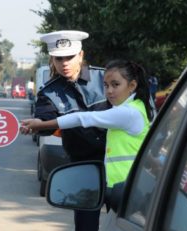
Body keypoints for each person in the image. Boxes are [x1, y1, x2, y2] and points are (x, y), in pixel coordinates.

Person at [21, 59, 156, 208]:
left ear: (132, 86)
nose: (109, 91)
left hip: (128, 189)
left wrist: (42, 125)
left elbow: (83, 117)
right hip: (123, 188)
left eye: (116, 85)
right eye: (105, 85)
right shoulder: (134, 107)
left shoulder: (128, 113)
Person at [21, 30, 109, 231]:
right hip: (84, 166)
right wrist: (36, 124)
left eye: (69, 57)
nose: (64, 63)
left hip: (120, 164)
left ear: (81, 55)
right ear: (52, 59)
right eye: (59, 58)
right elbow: (45, 121)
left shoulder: (106, 79)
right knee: (86, 226)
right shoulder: (48, 92)